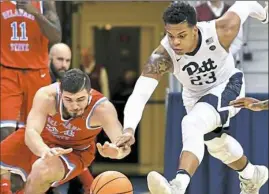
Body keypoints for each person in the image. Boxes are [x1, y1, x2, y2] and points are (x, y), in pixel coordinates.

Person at [115, 1, 268, 194]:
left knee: (191, 123)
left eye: (181, 35)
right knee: (217, 145)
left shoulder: (221, 30)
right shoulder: (162, 57)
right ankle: (252, 175)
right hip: (194, 96)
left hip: (228, 85)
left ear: (195, 30)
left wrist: (264, 16)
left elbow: (245, 4)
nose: (175, 42)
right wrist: (129, 129)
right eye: (170, 36)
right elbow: (140, 94)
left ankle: (177, 186)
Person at [0, 69, 131, 194]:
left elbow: (123, 144)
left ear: (89, 94)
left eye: (80, 99)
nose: (74, 106)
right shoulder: (47, 96)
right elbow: (31, 132)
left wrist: (117, 152)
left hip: (75, 150)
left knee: (42, 170)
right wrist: (44, 150)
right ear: (61, 93)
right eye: (68, 99)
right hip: (42, 140)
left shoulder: (102, 109)